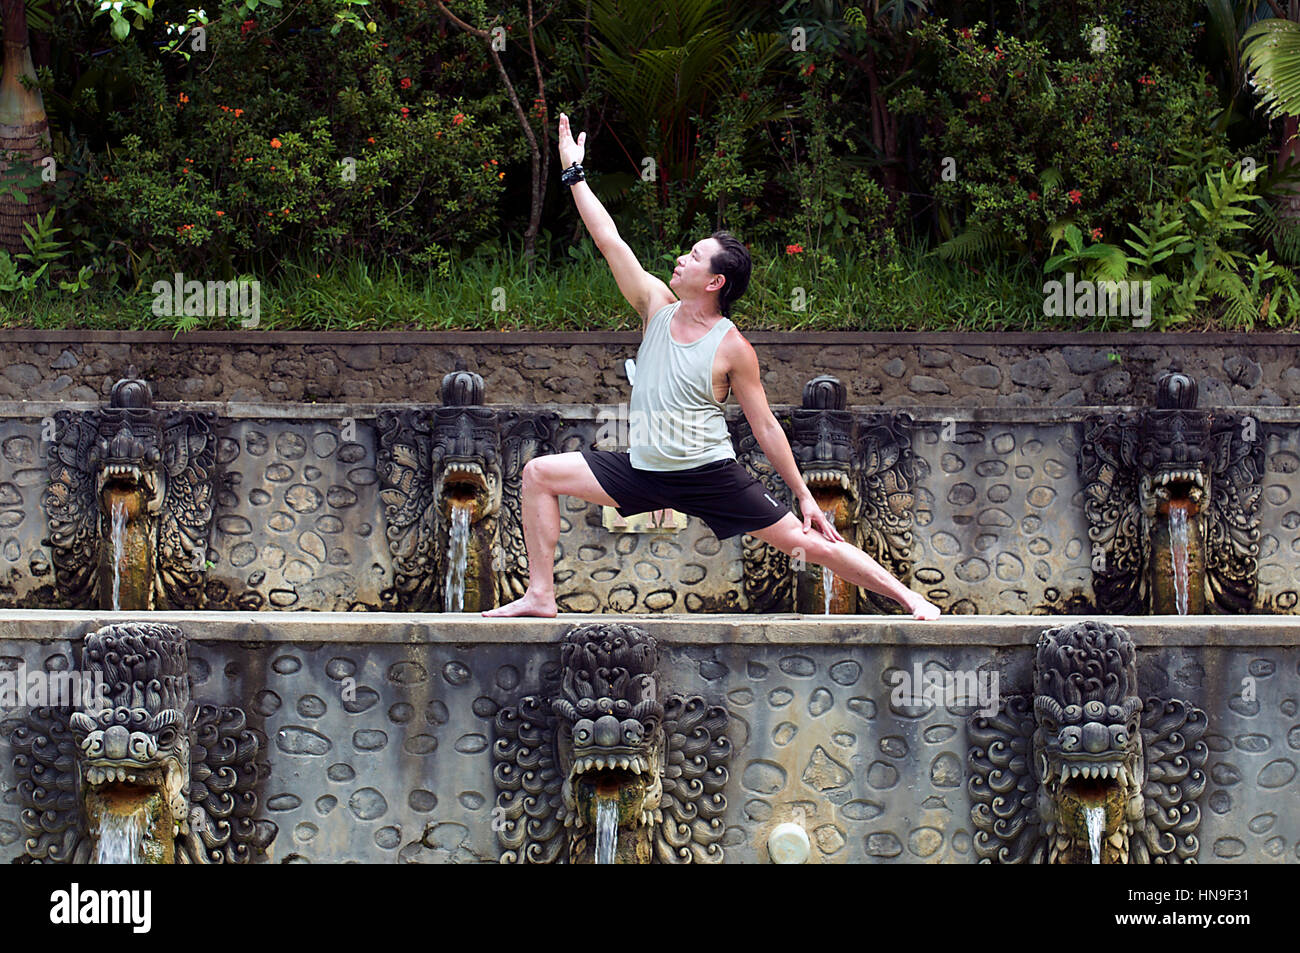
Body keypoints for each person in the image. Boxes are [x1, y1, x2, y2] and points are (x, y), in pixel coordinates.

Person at [484, 113, 940, 620]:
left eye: (695, 256)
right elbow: (609, 239)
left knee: (808, 541)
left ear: (715, 281)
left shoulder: (733, 348)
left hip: (709, 474)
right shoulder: (655, 305)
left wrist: (805, 495)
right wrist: (575, 174)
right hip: (645, 469)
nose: (681, 258)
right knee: (538, 474)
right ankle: (541, 596)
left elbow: (765, 424)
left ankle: (909, 598)